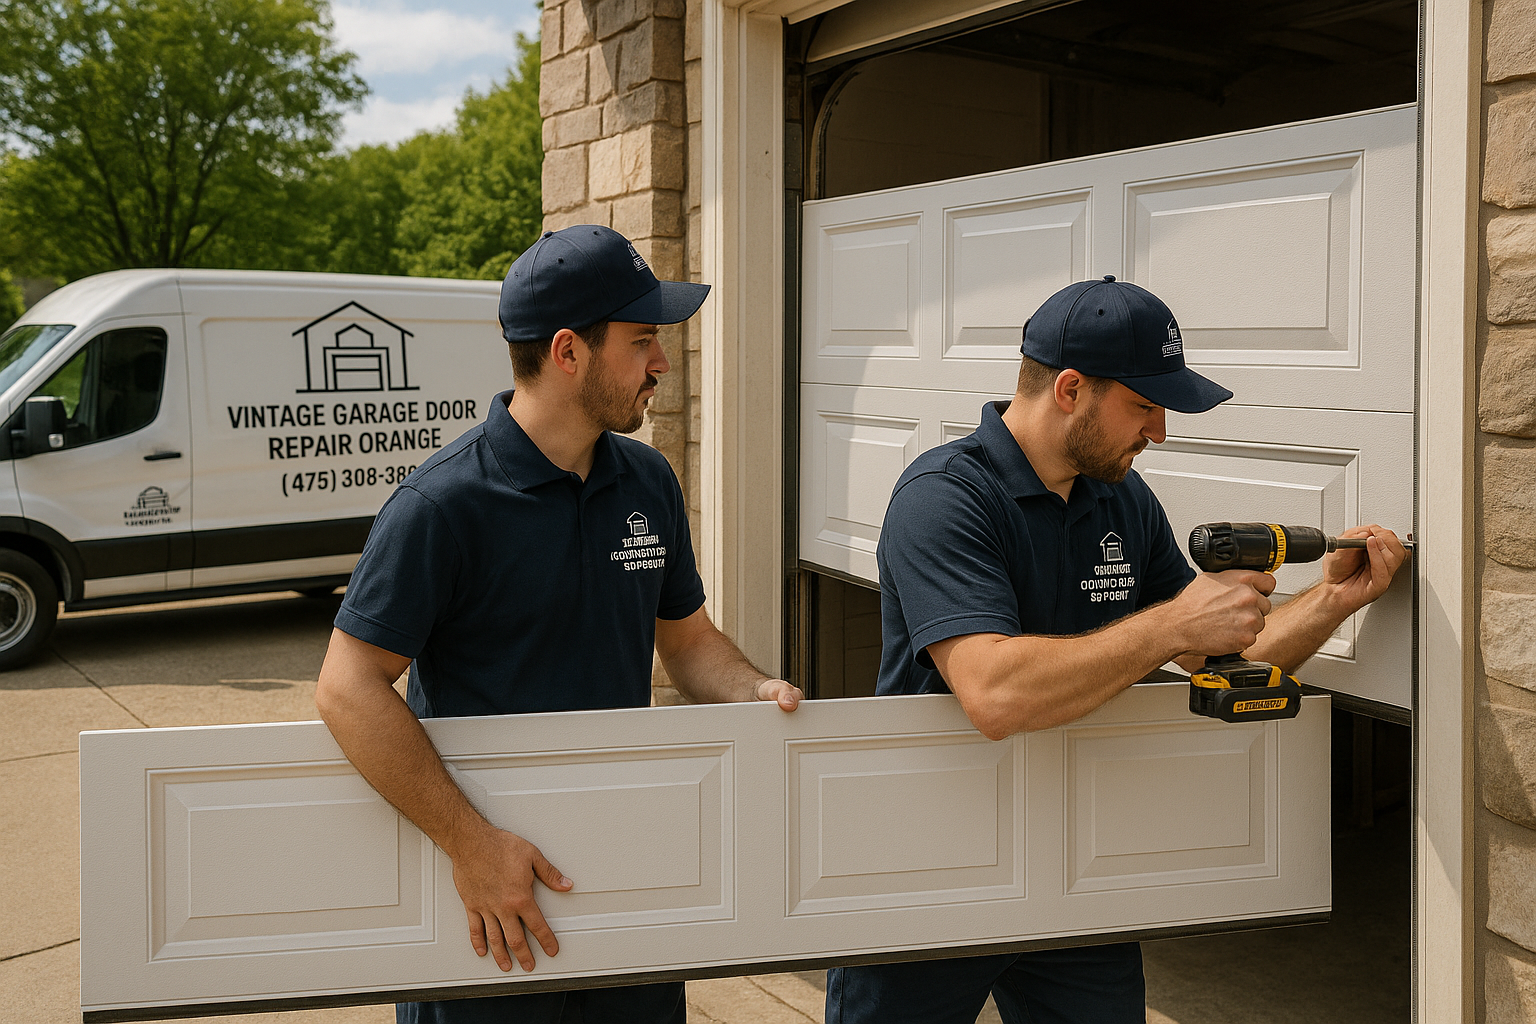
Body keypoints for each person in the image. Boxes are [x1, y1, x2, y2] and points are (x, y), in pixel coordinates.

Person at [824, 276, 1408, 1024]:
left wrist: (1333, 599)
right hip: (932, 864)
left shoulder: (1121, 498)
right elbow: (995, 694)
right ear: (1070, 389)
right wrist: (1170, 626)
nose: (1159, 431)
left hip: (1075, 860)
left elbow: (1218, 659)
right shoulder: (945, 497)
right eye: (1144, 405)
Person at [315, 224, 802, 1024]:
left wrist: (752, 690)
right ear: (568, 352)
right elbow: (347, 687)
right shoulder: (442, 505)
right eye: (643, 339)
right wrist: (470, 844)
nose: (663, 363)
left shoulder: (647, 480)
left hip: (629, 883)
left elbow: (686, 643)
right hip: (492, 912)